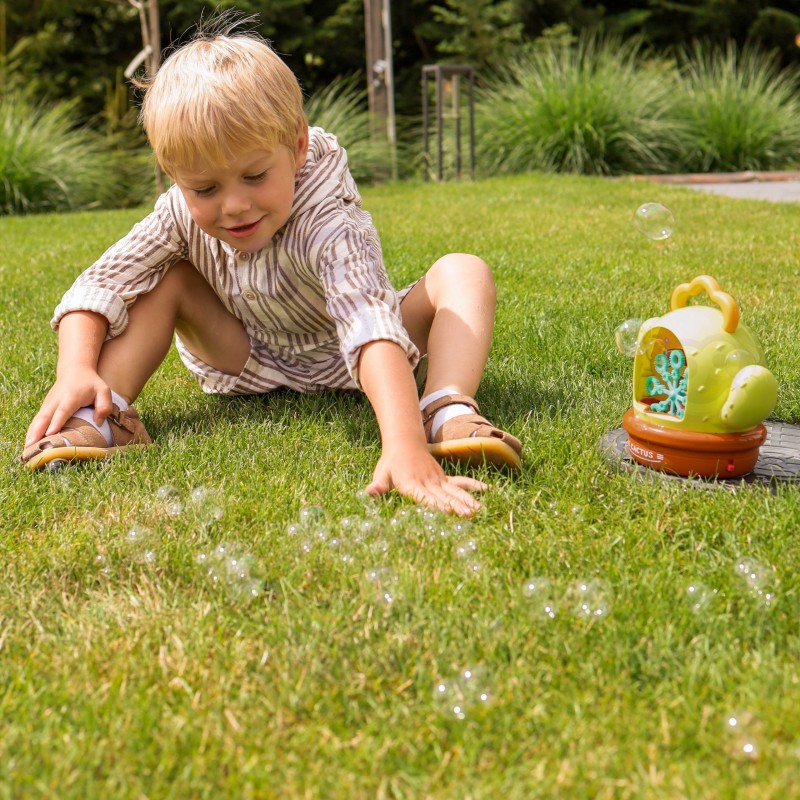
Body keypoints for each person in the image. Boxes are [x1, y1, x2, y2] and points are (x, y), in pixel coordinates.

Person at [20, 21, 521, 517]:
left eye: (255, 175)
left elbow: (367, 320)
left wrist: (403, 444)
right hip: (246, 356)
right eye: (205, 189)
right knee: (166, 278)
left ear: (298, 147)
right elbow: (102, 281)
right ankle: (103, 414)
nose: (234, 205)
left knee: (464, 270)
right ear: (175, 176)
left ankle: (445, 407)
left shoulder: (327, 216)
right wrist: (75, 370)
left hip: (351, 352)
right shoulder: (176, 212)